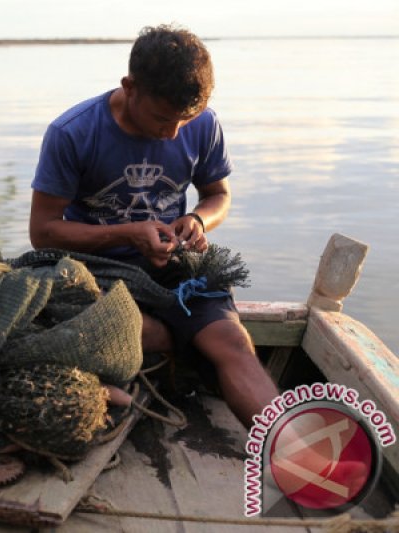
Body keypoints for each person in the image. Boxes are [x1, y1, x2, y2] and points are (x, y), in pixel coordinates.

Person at [28, 24, 278, 429]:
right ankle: (170, 345)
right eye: (163, 118)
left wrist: (198, 220)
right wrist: (127, 233)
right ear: (130, 87)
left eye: (186, 118)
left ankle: (291, 447)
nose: (173, 132)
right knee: (124, 329)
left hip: (171, 267)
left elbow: (218, 196)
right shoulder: (73, 133)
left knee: (233, 342)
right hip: (91, 270)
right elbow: (43, 233)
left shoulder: (203, 124)